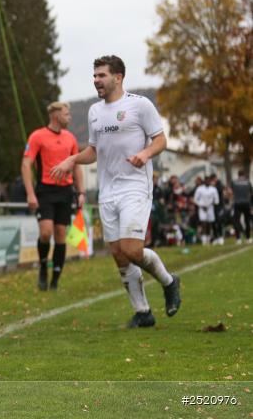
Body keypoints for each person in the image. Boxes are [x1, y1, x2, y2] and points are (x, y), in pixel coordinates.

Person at [52, 55, 180, 328]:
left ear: (118, 77)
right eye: (95, 75)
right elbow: (94, 152)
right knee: (119, 254)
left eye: (102, 75)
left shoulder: (139, 105)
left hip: (135, 187)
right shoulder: (95, 112)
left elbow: (161, 140)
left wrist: (145, 154)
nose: (96, 80)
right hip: (107, 192)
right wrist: (73, 159)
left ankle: (169, 282)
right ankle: (143, 312)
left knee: (132, 250)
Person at [21, 101, 85, 291]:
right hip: (45, 191)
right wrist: (30, 194)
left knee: (60, 235)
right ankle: (43, 268)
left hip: (65, 192)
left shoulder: (71, 138)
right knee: (46, 232)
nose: (70, 117)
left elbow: (77, 166)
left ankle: (55, 278)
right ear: (56, 116)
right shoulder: (37, 136)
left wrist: (81, 192)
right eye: (67, 114)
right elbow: (26, 165)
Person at [193, 174, 220, 245]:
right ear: (204, 181)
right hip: (202, 208)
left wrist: (212, 204)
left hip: (210, 208)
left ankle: (209, 238)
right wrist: (201, 205)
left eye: (209, 180)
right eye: (206, 180)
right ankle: (204, 239)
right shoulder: (199, 189)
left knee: (210, 223)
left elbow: (217, 200)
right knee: (203, 223)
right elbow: (195, 199)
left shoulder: (213, 189)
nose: (207, 182)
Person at [232, 170, 252, 243]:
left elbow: (231, 192)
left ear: (238, 175)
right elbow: (251, 193)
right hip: (246, 203)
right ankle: (248, 238)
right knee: (247, 221)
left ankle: (238, 239)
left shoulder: (234, 182)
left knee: (237, 221)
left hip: (237, 203)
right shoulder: (248, 182)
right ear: (244, 174)